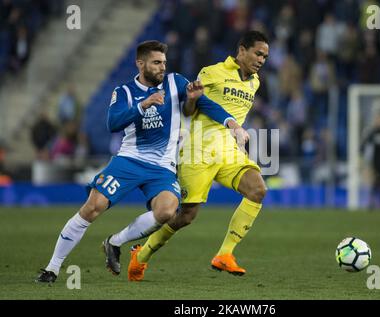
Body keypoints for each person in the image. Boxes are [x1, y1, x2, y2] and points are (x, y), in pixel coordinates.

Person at [35, 40, 248, 283]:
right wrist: (142, 105)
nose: (162, 68)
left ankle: (115, 242)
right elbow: (112, 123)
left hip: (162, 168)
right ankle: (52, 268)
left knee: (168, 210)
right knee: (93, 207)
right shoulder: (124, 91)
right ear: (140, 64)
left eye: (164, 63)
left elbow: (205, 104)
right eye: (156, 63)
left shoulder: (175, 82)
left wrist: (232, 124)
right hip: (130, 160)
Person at [105, 30, 269, 281]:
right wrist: (193, 101)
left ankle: (224, 254)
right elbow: (189, 109)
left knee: (257, 189)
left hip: (228, 151)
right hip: (198, 150)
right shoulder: (212, 72)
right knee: (185, 216)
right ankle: (142, 255)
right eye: (258, 53)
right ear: (242, 50)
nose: (261, 60)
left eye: (265, 57)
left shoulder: (254, 82)